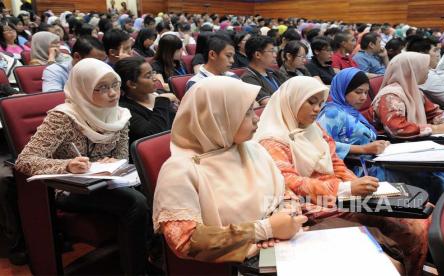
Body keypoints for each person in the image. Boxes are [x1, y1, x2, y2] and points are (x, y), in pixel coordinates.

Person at [253, 76, 430, 275]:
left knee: (423, 213)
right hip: (311, 204)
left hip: (339, 195)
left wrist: (357, 185)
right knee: (412, 226)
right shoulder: (272, 140)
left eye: (320, 103)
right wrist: (345, 189)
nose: (317, 109)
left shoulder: (313, 128)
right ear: (291, 101)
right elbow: (291, 183)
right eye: (311, 102)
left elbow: (335, 162)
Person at [15, 58, 149, 275]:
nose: (113, 93)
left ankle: (146, 254)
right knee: (136, 203)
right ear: (84, 89)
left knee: (154, 187)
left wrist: (114, 162)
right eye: (102, 88)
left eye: (115, 84)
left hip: (107, 182)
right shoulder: (64, 117)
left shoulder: (119, 114)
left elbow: (121, 155)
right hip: (70, 189)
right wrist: (67, 165)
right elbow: (26, 160)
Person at [153, 76, 307, 262]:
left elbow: (285, 193)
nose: (256, 118)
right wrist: (265, 229)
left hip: (278, 246)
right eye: (247, 112)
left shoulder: (253, 149)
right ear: (218, 118)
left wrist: (287, 217)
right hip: (233, 264)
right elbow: (186, 241)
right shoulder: (179, 171)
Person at [370, 52, 444, 198]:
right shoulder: (390, 96)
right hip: (401, 151)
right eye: (424, 68)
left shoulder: (414, 90)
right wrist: (436, 129)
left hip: (422, 144)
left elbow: (434, 112)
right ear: (412, 70)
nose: (428, 71)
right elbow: (398, 128)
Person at [115, 56, 176, 147]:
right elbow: (153, 135)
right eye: (148, 76)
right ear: (132, 84)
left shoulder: (160, 93)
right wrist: (162, 101)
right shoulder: (124, 109)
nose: (155, 78)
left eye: (153, 73)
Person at [241, 35, 287, 105]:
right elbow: (268, 103)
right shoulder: (248, 78)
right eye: (271, 51)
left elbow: (292, 86)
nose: (275, 55)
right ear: (257, 55)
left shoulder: (272, 72)